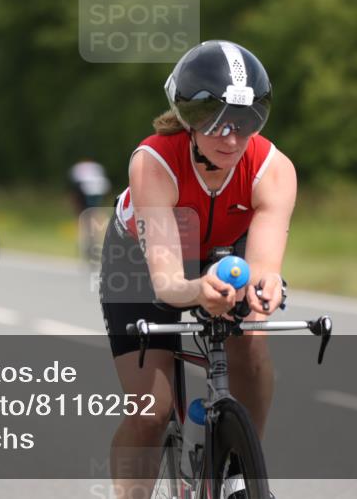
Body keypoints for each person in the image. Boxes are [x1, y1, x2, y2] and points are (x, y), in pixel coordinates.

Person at [99, 40, 294, 498]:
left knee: (253, 344)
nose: (230, 138)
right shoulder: (153, 162)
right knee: (152, 408)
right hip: (141, 260)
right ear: (188, 119)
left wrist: (264, 287)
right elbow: (167, 281)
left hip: (224, 252)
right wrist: (196, 290)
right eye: (216, 123)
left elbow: (264, 264)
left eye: (244, 123)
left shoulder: (274, 169)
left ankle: (240, 462)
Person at [68, 159, 111, 264]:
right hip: (83, 202)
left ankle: (91, 247)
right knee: (86, 225)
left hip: (86, 203)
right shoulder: (80, 176)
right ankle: (87, 247)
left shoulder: (92, 174)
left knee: (91, 224)